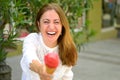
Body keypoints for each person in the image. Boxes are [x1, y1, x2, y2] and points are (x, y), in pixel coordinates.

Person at [20, 3, 78, 80]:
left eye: (56, 22)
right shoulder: (32, 40)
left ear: (62, 26)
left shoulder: (67, 48)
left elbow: (67, 76)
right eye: (46, 22)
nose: (51, 27)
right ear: (39, 24)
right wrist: (41, 70)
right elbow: (29, 57)